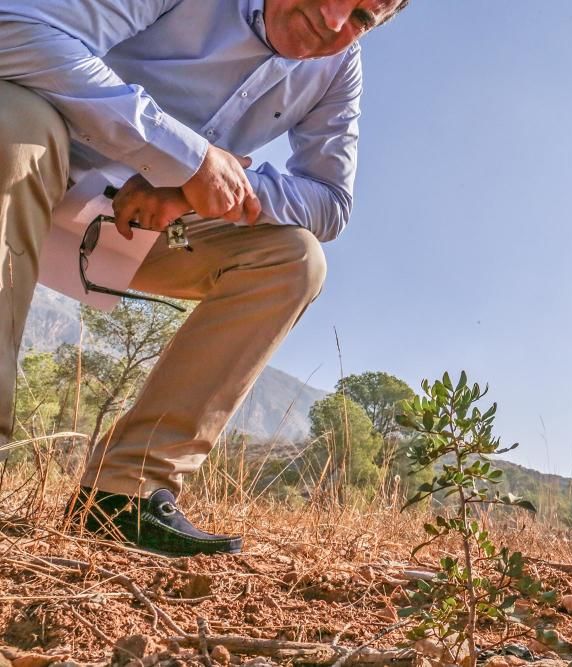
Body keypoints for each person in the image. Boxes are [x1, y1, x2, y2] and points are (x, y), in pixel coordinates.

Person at [0, 0, 408, 557]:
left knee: (295, 259)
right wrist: (182, 156)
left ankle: (125, 494)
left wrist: (189, 186)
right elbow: (17, 28)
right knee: (13, 121)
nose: (337, 23)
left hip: (130, 225)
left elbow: (331, 202)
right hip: (22, 162)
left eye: (364, 17)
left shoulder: (339, 67)